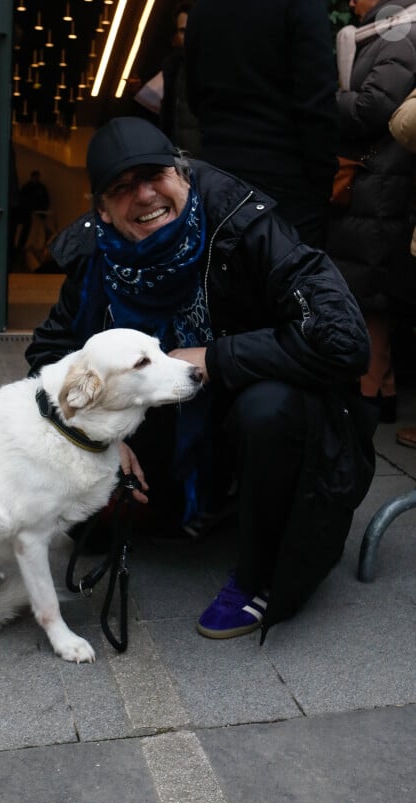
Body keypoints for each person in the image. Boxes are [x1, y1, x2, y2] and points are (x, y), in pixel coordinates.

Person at [24, 116, 377, 643]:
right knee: (91, 520)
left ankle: (258, 573)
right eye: (122, 189)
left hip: (268, 416)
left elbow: (344, 338)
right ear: (101, 210)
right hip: (176, 420)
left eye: (154, 176)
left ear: (182, 175)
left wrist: (215, 357)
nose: (144, 196)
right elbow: (49, 357)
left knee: (269, 407)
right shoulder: (95, 255)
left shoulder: (244, 223)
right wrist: (100, 440)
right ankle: (196, 503)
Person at [325, 0, 416, 424]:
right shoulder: (383, 33)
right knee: (369, 289)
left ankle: (369, 392)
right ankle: (381, 389)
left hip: (383, 181)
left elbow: (372, 108)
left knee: (369, 292)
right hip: (376, 178)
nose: (349, 2)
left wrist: (326, 98)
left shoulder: (400, 32)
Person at [184, 0, 338, 248]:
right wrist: (322, 179)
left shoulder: (203, 8)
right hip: (287, 180)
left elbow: (194, 94)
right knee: (293, 281)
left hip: (218, 171)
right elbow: (317, 101)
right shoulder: (300, 6)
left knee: (220, 279)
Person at [159, 2, 201, 155]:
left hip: (207, 157)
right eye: (182, 31)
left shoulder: (214, 65)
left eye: (191, 29)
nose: (187, 35)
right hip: (178, 154)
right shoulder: (172, 66)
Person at [11, 170, 50, 260]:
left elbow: (45, 200)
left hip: (37, 213)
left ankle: (30, 248)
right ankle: (23, 247)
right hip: (28, 213)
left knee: (36, 231)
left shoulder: (40, 188)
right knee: (29, 231)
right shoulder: (27, 187)